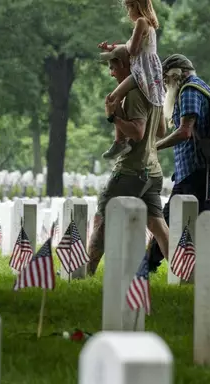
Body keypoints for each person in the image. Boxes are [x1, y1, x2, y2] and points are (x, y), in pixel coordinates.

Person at [87, 45, 168, 276]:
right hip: (152, 172)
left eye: (113, 67)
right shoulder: (154, 91)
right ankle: (185, 275)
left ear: (124, 65)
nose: (111, 73)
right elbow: (160, 130)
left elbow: (138, 132)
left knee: (103, 215)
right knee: (159, 228)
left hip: (131, 170)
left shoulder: (133, 93)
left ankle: (86, 272)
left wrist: (113, 117)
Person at [144, 54, 210, 272]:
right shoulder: (202, 87)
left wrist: (154, 146)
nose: (166, 85)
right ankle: (149, 263)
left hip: (192, 169)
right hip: (197, 169)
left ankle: (147, 266)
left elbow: (185, 131)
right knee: (206, 220)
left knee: (166, 219)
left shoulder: (189, 91)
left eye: (166, 80)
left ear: (176, 74)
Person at [97, 0, 165, 161]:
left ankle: (120, 141)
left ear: (137, 6)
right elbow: (134, 46)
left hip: (142, 72)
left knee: (113, 98)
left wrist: (118, 50)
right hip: (151, 72)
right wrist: (112, 49)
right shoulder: (149, 25)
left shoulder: (141, 22)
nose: (128, 13)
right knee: (121, 98)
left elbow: (133, 49)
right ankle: (121, 140)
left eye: (129, 8)